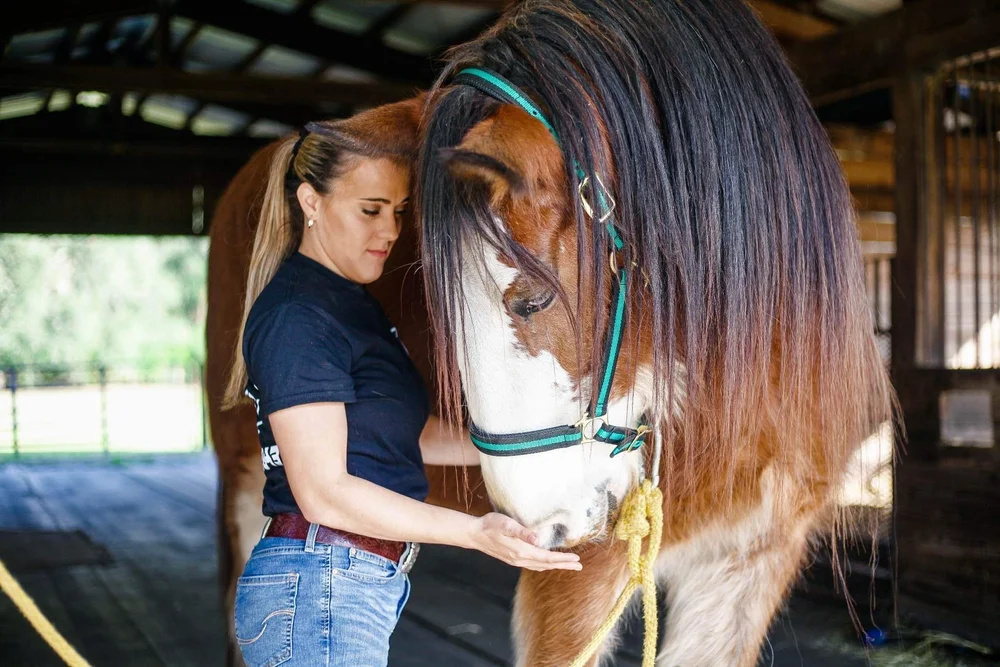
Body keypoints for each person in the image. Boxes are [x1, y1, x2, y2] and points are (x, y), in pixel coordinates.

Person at [222, 104, 581, 667]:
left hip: (348, 583)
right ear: (310, 202)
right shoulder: (299, 315)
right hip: (318, 584)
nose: (390, 231)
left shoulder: (351, 306)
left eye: (398, 210)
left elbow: (399, 439)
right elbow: (323, 492)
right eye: (370, 210)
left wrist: (557, 438)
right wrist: (475, 532)